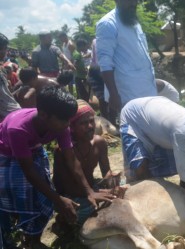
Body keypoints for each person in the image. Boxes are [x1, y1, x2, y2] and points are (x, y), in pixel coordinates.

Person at [0, 86, 115, 249]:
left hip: (34, 147)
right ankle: (25, 238)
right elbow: (29, 171)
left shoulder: (60, 124)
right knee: (24, 193)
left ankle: (34, 235)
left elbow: (72, 159)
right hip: (7, 153)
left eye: (69, 120)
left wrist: (89, 191)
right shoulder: (17, 129)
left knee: (43, 195)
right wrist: (58, 199)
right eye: (63, 120)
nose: (68, 125)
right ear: (44, 115)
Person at [96, 0, 157, 113]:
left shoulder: (133, 22)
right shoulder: (108, 24)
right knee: (133, 132)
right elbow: (105, 63)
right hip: (128, 96)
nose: (134, 3)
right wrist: (113, 95)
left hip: (147, 91)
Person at [53, 100, 113, 226]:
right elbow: (66, 186)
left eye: (91, 121)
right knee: (86, 216)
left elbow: (106, 170)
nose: (90, 126)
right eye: (84, 123)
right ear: (72, 127)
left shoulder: (100, 143)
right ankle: (63, 218)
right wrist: (94, 194)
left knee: (117, 199)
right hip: (70, 195)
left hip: (91, 189)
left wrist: (110, 180)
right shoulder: (62, 150)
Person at [0, 33, 20, 122]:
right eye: (4, 49)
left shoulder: (2, 70)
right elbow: (6, 104)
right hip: (7, 117)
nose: (6, 52)